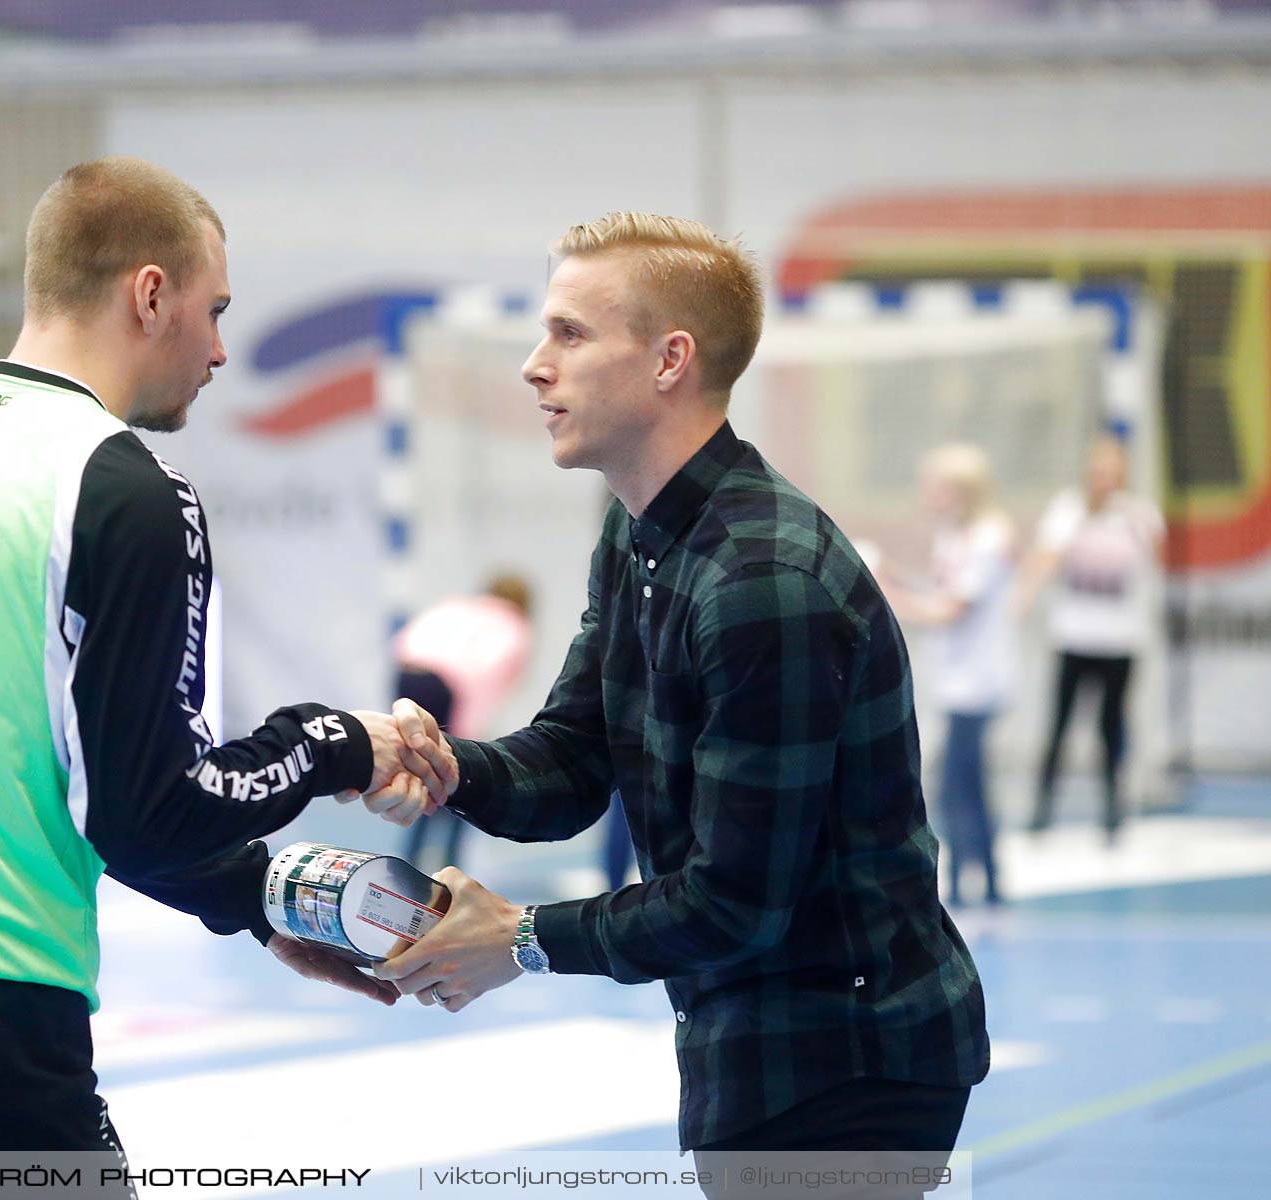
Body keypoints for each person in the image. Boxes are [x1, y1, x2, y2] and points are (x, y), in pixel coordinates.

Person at [0, 157, 455, 1195]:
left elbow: (55, 787)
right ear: (151, 295)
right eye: (215, 310)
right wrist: (337, 742)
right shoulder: (123, 486)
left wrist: (257, 895)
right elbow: (151, 808)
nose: (222, 349)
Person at [368, 214, 989, 1171]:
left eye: (570, 334)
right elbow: (574, 762)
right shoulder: (638, 535)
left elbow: (737, 901)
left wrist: (522, 938)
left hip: (849, 1061)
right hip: (747, 1040)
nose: (536, 366)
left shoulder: (761, 581)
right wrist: (449, 767)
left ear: (670, 361)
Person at [885, 445, 1016, 908]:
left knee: (958, 783)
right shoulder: (954, 538)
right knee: (967, 782)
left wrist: (889, 597)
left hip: (977, 682)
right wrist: (892, 578)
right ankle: (987, 882)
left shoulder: (988, 538)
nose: (929, 496)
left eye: (937, 487)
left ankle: (968, 884)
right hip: (955, 679)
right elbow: (940, 594)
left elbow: (951, 611)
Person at [1019, 434, 1163, 839]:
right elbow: (1045, 556)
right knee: (1060, 723)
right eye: (1098, 472)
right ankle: (1043, 804)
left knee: (1111, 724)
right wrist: (1025, 594)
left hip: (1118, 640)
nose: (1104, 480)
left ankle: (1112, 806)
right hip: (1074, 636)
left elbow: (1154, 556)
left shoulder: (1138, 513)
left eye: (1111, 473)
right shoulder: (1069, 509)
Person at [393, 573, 532, 873]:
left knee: (421, 775)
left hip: (408, 676)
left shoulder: (458, 607)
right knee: (456, 776)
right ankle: (448, 870)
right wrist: (465, 738)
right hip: (446, 688)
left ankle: (408, 863)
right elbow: (482, 682)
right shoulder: (513, 627)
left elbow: (404, 643)